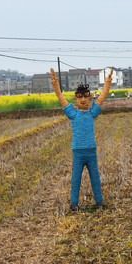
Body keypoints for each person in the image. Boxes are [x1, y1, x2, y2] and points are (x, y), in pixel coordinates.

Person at [50, 67, 114, 211]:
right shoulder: (73, 114)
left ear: (90, 97)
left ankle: (99, 201)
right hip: (78, 152)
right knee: (76, 178)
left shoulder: (92, 113)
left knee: (95, 178)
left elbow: (102, 97)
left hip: (91, 150)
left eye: (86, 96)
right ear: (75, 98)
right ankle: (74, 204)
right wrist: (55, 84)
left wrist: (107, 82)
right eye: (80, 97)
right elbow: (61, 97)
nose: (83, 99)